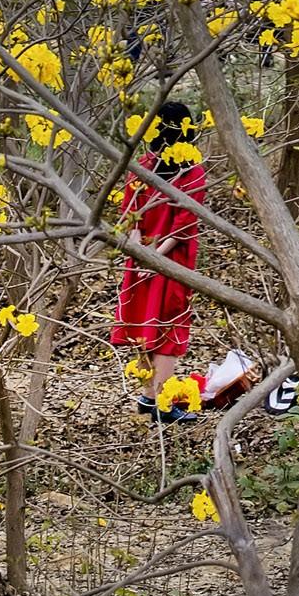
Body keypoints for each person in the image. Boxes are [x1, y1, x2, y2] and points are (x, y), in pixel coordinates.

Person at [110, 100, 208, 421]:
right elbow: (184, 224)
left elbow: (130, 214)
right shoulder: (191, 170)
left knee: (143, 320)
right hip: (171, 261)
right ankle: (162, 402)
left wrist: (140, 252)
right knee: (168, 325)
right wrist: (155, 257)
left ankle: (149, 397)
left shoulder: (143, 164)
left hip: (142, 258)